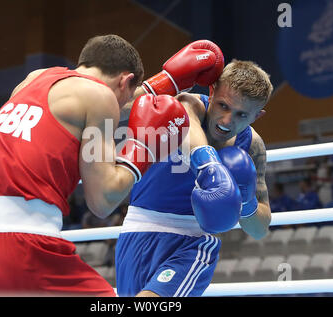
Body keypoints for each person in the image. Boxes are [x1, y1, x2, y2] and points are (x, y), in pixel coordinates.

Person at [0, 34, 198, 296]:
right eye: (127, 95)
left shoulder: (33, 80)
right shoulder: (101, 97)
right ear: (125, 80)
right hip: (25, 249)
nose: (122, 108)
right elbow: (102, 201)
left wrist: (167, 83)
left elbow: (106, 101)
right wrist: (144, 148)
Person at [115, 57, 274, 297]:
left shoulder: (252, 145)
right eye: (223, 106)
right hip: (136, 230)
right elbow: (191, 133)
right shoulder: (186, 106)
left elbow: (260, 229)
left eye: (242, 115)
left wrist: (246, 199)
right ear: (211, 91)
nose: (227, 120)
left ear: (257, 116)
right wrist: (212, 169)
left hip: (193, 241)